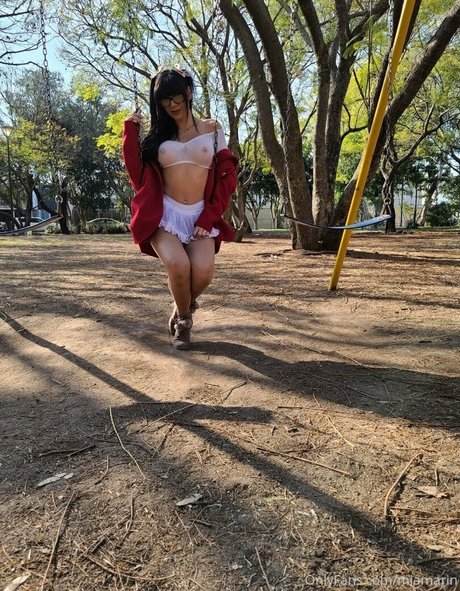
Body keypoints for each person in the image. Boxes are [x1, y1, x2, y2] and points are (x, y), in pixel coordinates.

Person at [122, 66, 238, 350]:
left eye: (176, 96)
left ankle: (179, 307)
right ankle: (184, 323)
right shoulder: (159, 136)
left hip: (201, 214)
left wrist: (210, 216)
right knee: (177, 265)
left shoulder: (212, 128)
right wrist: (130, 131)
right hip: (165, 214)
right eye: (164, 99)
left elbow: (227, 176)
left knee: (203, 272)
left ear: (188, 92)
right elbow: (137, 175)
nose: (172, 104)